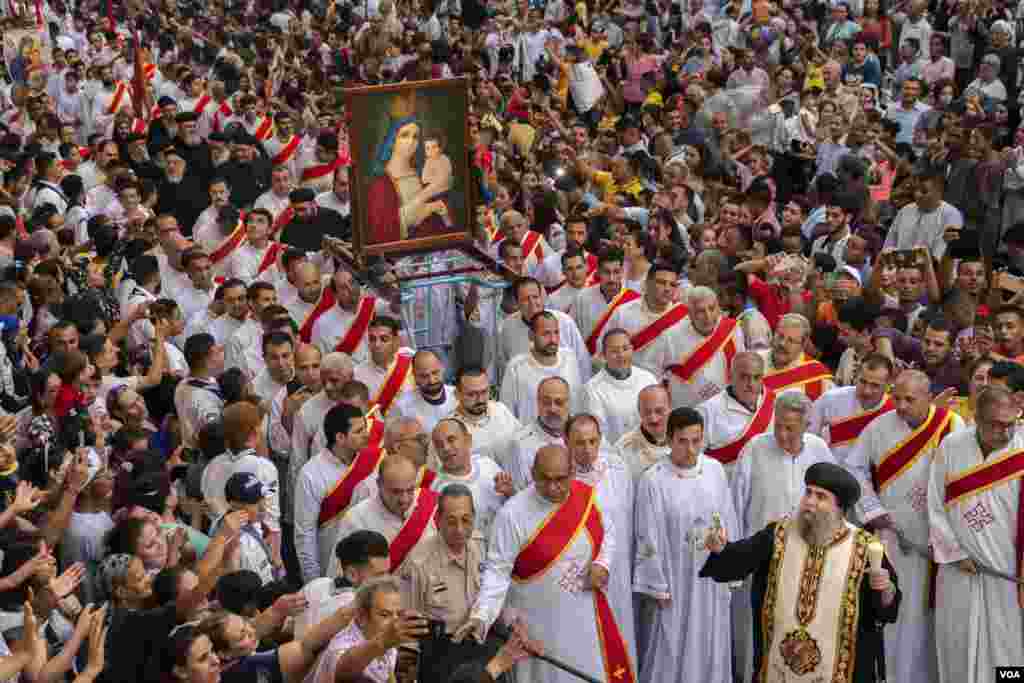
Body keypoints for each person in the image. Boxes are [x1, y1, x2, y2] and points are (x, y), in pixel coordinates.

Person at [701, 462, 902, 683]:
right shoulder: (778, 535)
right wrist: (721, 549)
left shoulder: (865, 548)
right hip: (778, 671)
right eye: (808, 493)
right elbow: (739, 560)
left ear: (840, 508)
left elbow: (885, 611)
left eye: (821, 497)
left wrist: (886, 590)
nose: (810, 502)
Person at [459, 445, 635, 683]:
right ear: (532, 474)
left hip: (586, 617)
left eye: (561, 479)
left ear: (572, 472)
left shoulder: (589, 497)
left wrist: (602, 563)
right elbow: (497, 570)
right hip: (538, 626)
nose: (553, 487)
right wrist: (482, 615)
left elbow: (609, 532)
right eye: (545, 479)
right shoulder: (512, 514)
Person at [847, 369, 965, 683]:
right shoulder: (878, 427)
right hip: (889, 536)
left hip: (933, 542)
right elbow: (854, 468)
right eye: (896, 397)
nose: (900, 405)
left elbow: (958, 482)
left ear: (928, 397)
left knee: (924, 618)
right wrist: (872, 511)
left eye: (909, 399)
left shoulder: (952, 425)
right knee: (891, 607)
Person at [633, 407, 737, 683]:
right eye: (683, 441)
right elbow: (647, 534)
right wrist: (656, 584)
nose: (691, 449)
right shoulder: (653, 479)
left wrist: (728, 552)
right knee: (671, 644)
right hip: (675, 581)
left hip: (710, 580)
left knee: (710, 640)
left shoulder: (714, 470)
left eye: (697, 440)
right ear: (669, 440)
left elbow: (726, 515)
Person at [928, 385, 1023, 683]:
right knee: (956, 642)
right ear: (976, 419)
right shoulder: (952, 446)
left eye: (1011, 424)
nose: (1005, 433)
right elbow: (934, 505)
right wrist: (954, 552)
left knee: (1009, 650)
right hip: (960, 570)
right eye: (996, 425)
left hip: (1007, 574)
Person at [365, 91, 451, 243]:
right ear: (392, 140)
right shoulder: (381, 182)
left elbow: (443, 223)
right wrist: (424, 202)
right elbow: (384, 232)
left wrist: (443, 213)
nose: (411, 141)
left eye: (415, 136)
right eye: (404, 135)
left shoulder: (421, 174)